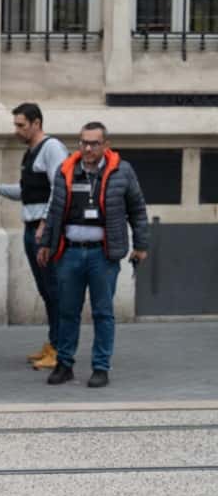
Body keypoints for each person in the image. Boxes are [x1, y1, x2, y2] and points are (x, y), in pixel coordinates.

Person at [38, 122, 149, 388]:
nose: (88, 148)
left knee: (103, 312)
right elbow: (54, 211)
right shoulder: (67, 169)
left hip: (103, 255)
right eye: (83, 142)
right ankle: (64, 364)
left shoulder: (122, 171)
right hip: (70, 254)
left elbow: (137, 209)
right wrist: (46, 244)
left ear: (105, 145)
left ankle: (101, 367)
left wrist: (141, 245)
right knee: (67, 311)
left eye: (94, 143)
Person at [0, 102, 70, 370]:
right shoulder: (31, 153)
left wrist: (47, 222)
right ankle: (53, 343)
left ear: (36, 123)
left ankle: (60, 349)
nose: (16, 130)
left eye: (21, 125)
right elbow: (27, 191)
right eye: (15, 125)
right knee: (46, 291)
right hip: (32, 230)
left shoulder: (52, 148)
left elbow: (61, 187)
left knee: (55, 291)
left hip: (45, 231)